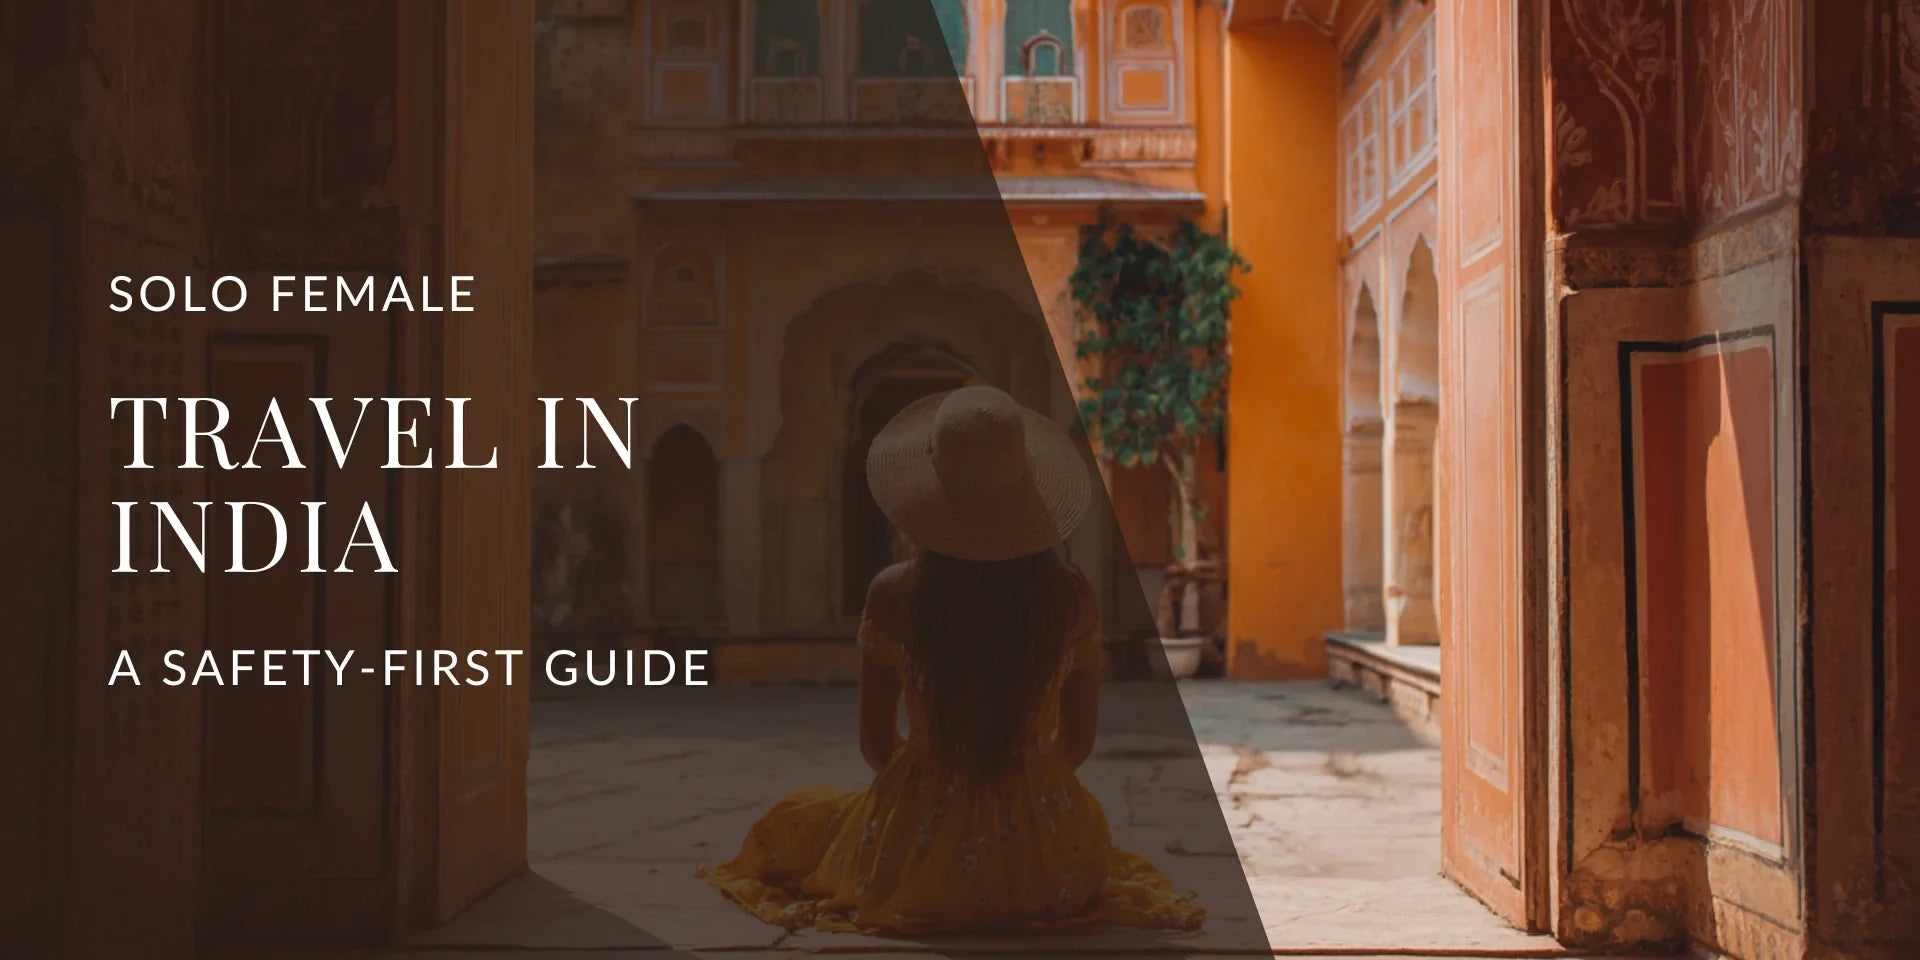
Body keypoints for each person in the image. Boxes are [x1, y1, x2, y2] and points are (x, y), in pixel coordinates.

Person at [698, 385, 1205, 935]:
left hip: (915, 857)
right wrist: (1019, 795)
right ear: (1028, 487)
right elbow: (1076, 745)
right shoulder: (1073, 600)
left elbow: (877, 747)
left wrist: (937, 796)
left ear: (933, 493)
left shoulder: (893, 595)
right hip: (1049, 862)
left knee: (798, 820)